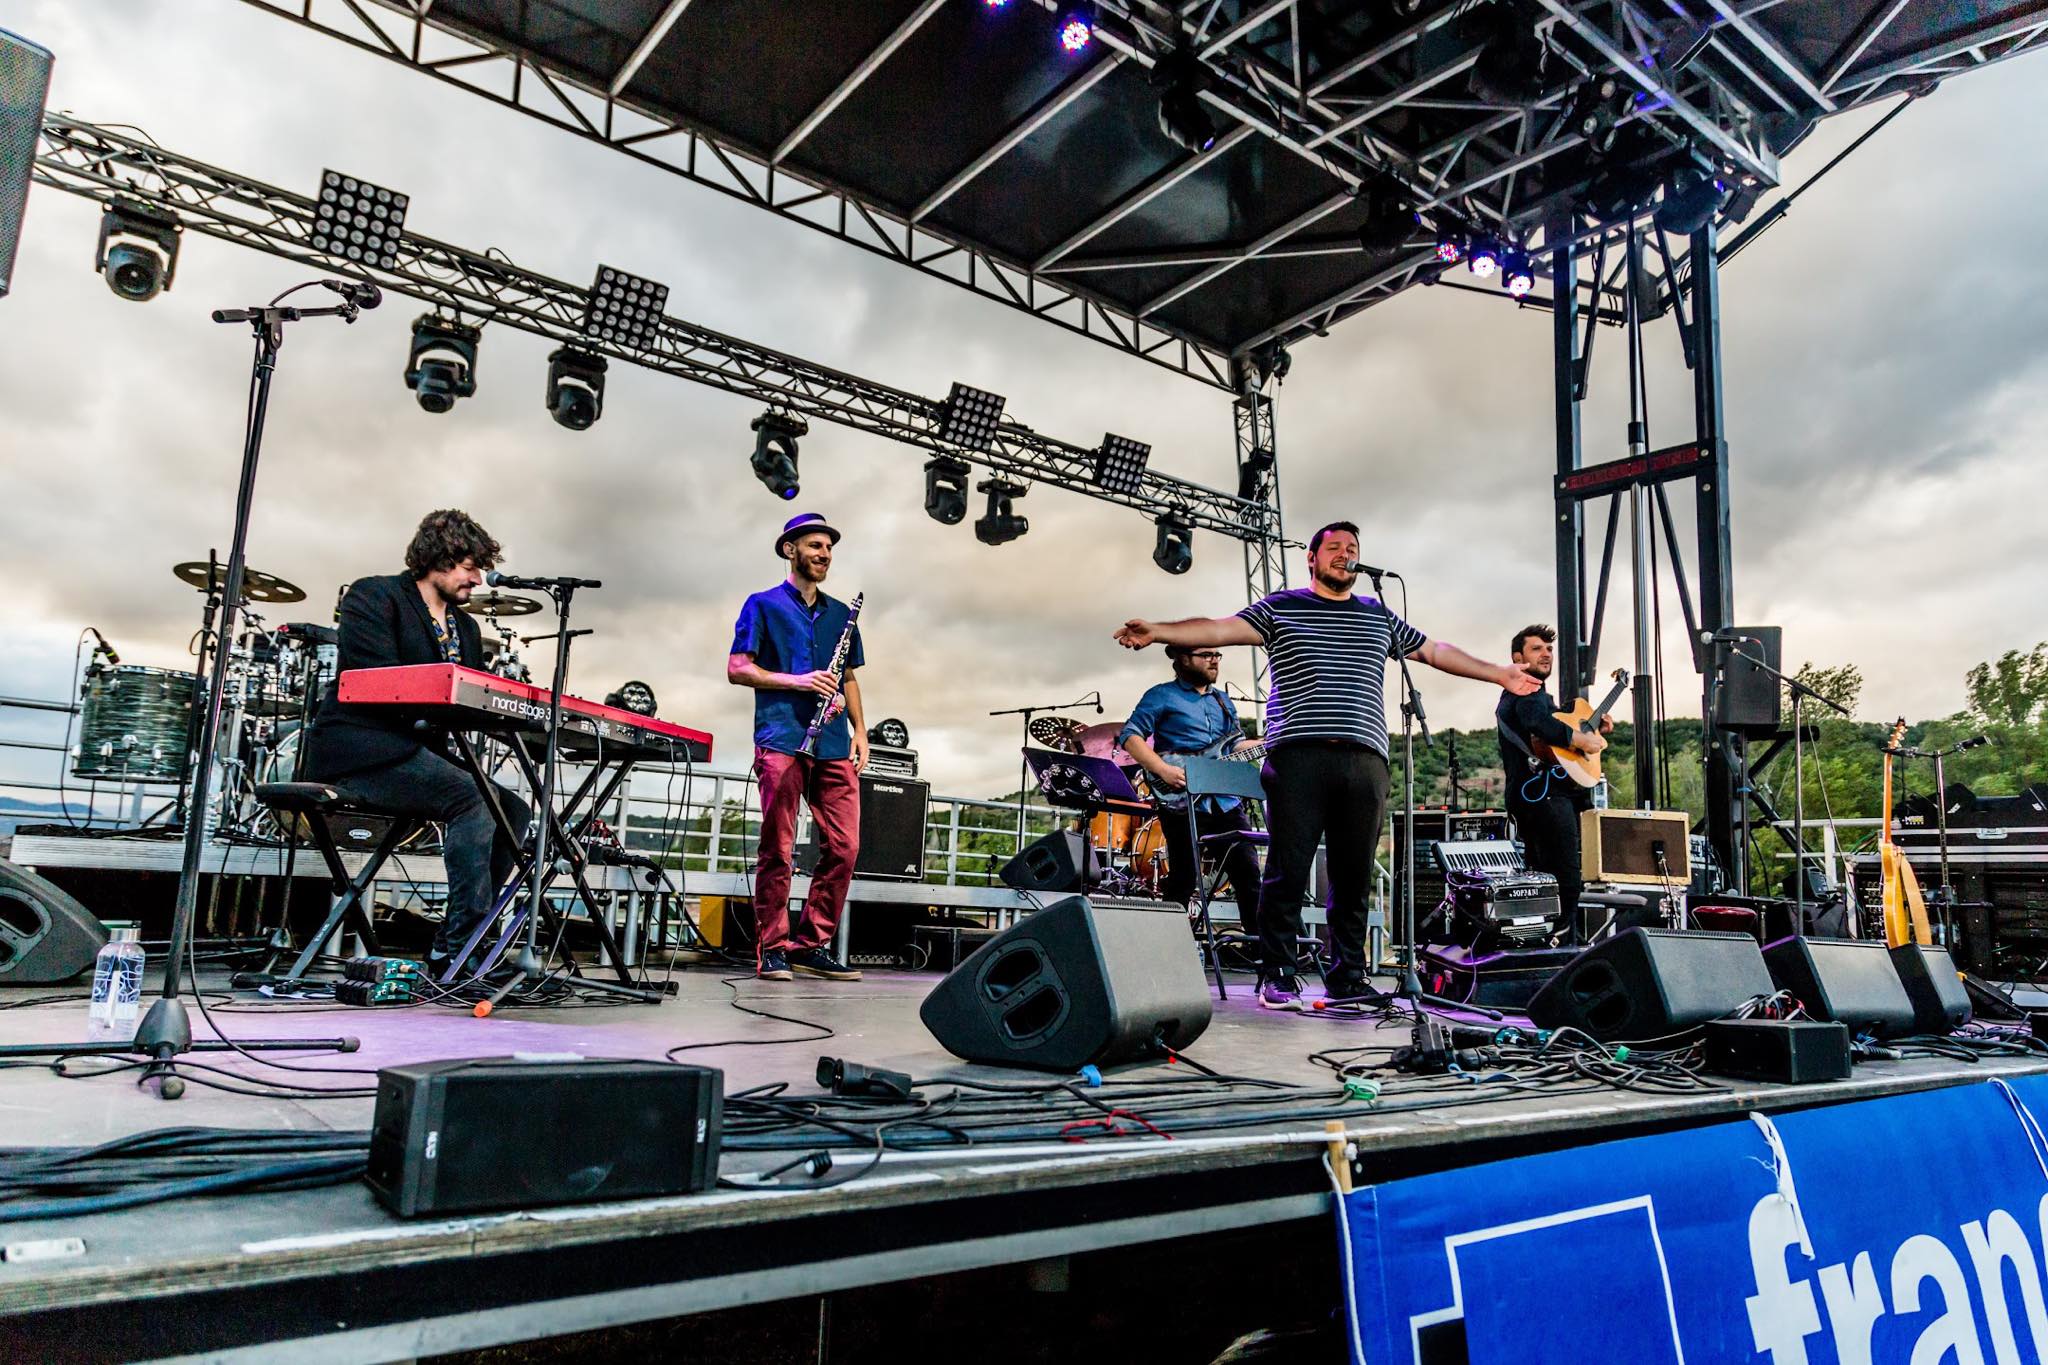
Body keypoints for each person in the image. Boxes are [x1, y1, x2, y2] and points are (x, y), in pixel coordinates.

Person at [1115, 521, 1539, 1010]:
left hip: (1366, 757)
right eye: (1334, 547)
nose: (1345, 554)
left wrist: (1498, 674)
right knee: (1287, 869)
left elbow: (1434, 651)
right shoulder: (1280, 607)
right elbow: (1217, 628)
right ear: (1312, 559)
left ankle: (1349, 978)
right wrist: (1159, 631)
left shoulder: (1379, 614)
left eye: (1353, 548)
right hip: (1298, 756)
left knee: (1353, 874)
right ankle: (1277, 975)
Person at [301, 509, 533, 974]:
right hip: (360, 751)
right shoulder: (375, 596)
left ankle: (457, 942)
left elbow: (471, 695)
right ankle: (464, 943)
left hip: (416, 756)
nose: (478, 579)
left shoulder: (465, 628)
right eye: (470, 567)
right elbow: (375, 680)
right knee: (473, 799)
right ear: (440, 558)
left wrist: (529, 718)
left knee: (514, 809)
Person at [728, 512, 869, 983]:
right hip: (782, 738)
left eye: (828, 547)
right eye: (814, 545)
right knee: (778, 847)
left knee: (845, 847)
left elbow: (847, 677)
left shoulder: (839, 614)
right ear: (790, 549)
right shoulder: (762, 604)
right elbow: (737, 668)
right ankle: (772, 948)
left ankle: (811, 944)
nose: (824, 554)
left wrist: (861, 731)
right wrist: (798, 680)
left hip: (831, 742)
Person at [1118, 644, 1263, 952]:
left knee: (1248, 872)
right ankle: (1167, 952)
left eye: (1217, 655)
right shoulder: (1161, 695)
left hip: (1224, 798)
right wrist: (1162, 769)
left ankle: (1264, 954)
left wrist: (1268, 743)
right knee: (1183, 875)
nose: (1214, 659)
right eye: (1206, 654)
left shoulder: (1223, 701)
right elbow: (1130, 737)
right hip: (1180, 798)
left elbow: (1233, 746)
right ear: (1182, 659)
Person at [1496, 624, 1609, 942]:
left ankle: (1540, 945)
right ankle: (1562, 950)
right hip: (1544, 796)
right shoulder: (1527, 688)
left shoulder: (1532, 694)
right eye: (1536, 649)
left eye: (1549, 649)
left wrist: (1592, 731)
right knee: (1566, 879)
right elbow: (1539, 724)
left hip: (1532, 796)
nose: (1546, 654)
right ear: (1518, 657)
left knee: (1541, 878)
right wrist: (1580, 740)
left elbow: (1551, 731)